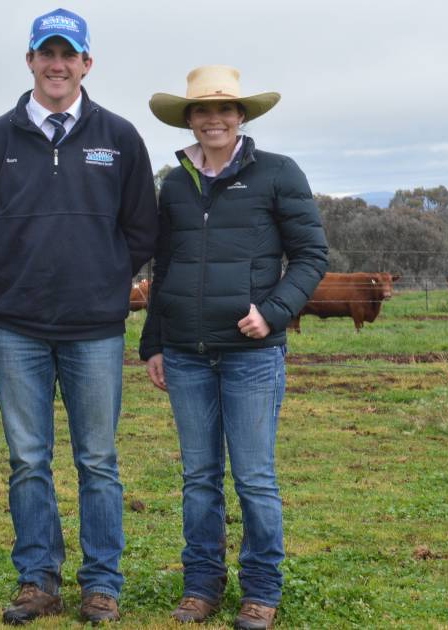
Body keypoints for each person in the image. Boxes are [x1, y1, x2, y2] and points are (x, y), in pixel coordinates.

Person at [0, 8, 158, 625]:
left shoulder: (120, 137)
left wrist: (102, 281)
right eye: (45, 54)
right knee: (27, 459)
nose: (57, 65)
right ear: (29, 62)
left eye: (67, 55)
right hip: (17, 327)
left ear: (86, 64)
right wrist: (10, 282)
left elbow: (140, 229)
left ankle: (103, 582)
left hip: (94, 331)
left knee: (97, 460)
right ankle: (37, 579)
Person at [140, 65, 328, 629]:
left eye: (225, 109)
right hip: (186, 353)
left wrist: (272, 314)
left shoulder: (277, 173)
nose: (214, 119)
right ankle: (201, 585)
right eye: (202, 110)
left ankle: (261, 590)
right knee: (199, 476)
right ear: (189, 119)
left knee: (253, 477)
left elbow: (312, 256)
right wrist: (154, 341)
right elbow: (164, 265)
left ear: (241, 116)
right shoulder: (173, 183)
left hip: (251, 356)